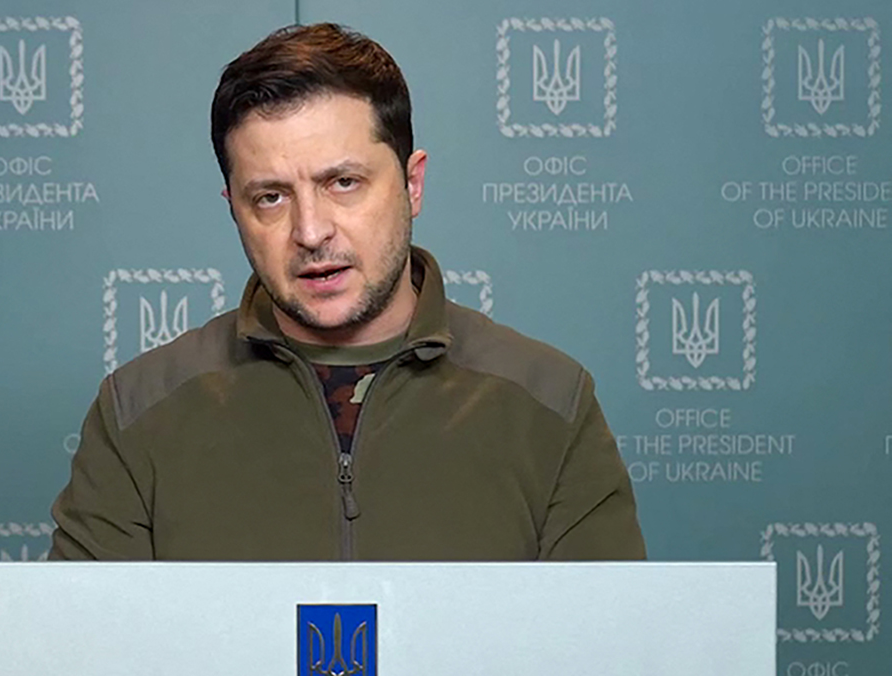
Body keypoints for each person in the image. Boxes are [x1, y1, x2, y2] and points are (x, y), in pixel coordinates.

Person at [49, 23, 645, 561]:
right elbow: (86, 637)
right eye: (271, 197)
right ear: (233, 209)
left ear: (412, 184)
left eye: (343, 183)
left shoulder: (550, 403)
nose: (311, 232)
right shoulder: (137, 412)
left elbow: (605, 635)